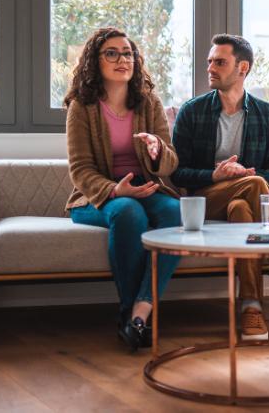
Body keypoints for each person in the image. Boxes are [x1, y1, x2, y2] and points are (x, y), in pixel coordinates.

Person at [171, 34, 269, 341]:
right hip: (207, 198)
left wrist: (246, 179)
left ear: (242, 68)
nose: (211, 68)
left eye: (220, 62)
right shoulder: (192, 112)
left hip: (243, 206)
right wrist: (216, 175)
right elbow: (178, 173)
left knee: (242, 207)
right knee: (255, 184)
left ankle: (252, 307)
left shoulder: (266, 113)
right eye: (210, 62)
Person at [64, 27, 182, 352]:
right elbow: (81, 170)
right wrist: (117, 191)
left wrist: (158, 150)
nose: (122, 59)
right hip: (98, 197)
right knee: (129, 214)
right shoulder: (82, 107)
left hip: (146, 190)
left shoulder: (149, 103)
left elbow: (171, 162)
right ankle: (130, 315)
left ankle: (141, 310)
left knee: (175, 212)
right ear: (95, 62)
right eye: (112, 53)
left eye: (127, 53)